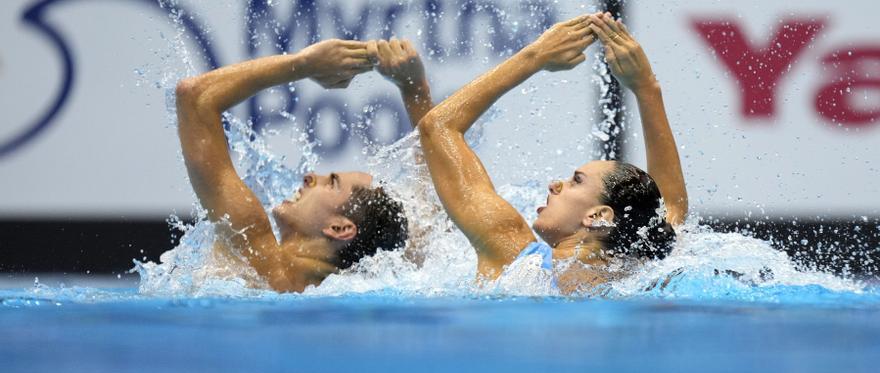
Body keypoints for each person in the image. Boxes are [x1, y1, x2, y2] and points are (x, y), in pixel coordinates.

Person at [418, 13, 688, 293]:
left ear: (598, 216)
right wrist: (647, 88)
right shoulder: (641, 271)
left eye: (576, 181)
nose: (554, 184)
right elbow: (668, 207)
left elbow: (437, 127)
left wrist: (535, 56)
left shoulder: (512, 257)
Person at [175, 38, 433, 292]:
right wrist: (415, 90)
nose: (310, 177)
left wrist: (304, 64)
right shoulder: (371, 283)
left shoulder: (251, 253)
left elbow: (194, 98)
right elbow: (432, 195)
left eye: (331, 183)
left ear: (340, 228)